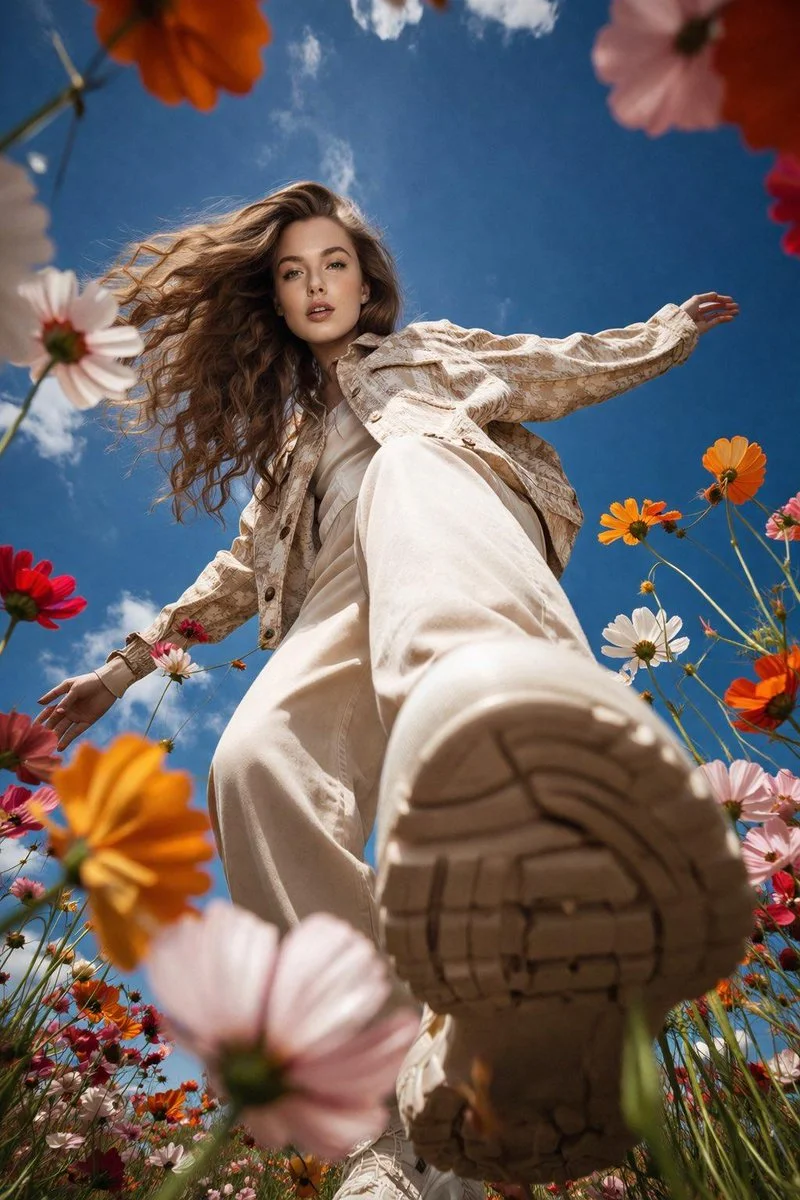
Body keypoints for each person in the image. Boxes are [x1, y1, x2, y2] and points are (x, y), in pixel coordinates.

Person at [34, 182, 753, 1199]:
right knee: (253, 766)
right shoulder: (286, 460)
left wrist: (665, 330)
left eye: (330, 264)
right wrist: (121, 670)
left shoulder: (434, 353)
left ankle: (521, 785)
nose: (313, 285)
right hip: (328, 581)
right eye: (290, 275)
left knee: (410, 476)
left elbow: (556, 366)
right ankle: (397, 1121)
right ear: (276, 303)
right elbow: (232, 580)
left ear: (364, 282)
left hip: (447, 512)